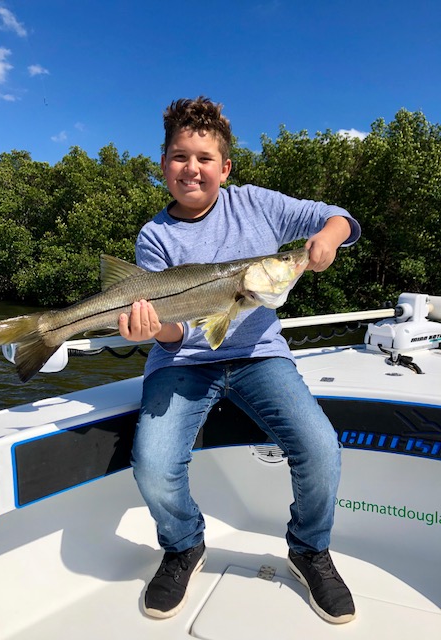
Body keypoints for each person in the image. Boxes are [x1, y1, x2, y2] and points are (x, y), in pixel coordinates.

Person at [118, 97, 361, 624]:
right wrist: (151, 328)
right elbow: (175, 333)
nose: (192, 168)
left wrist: (326, 237)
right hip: (181, 361)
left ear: (224, 168)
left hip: (259, 356)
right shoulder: (154, 237)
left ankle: (309, 550)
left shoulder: (255, 203)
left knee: (321, 449)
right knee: (154, 465)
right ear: (163, 166)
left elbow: (337, 218)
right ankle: (183, 544)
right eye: (180, 157)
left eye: (205, 158)